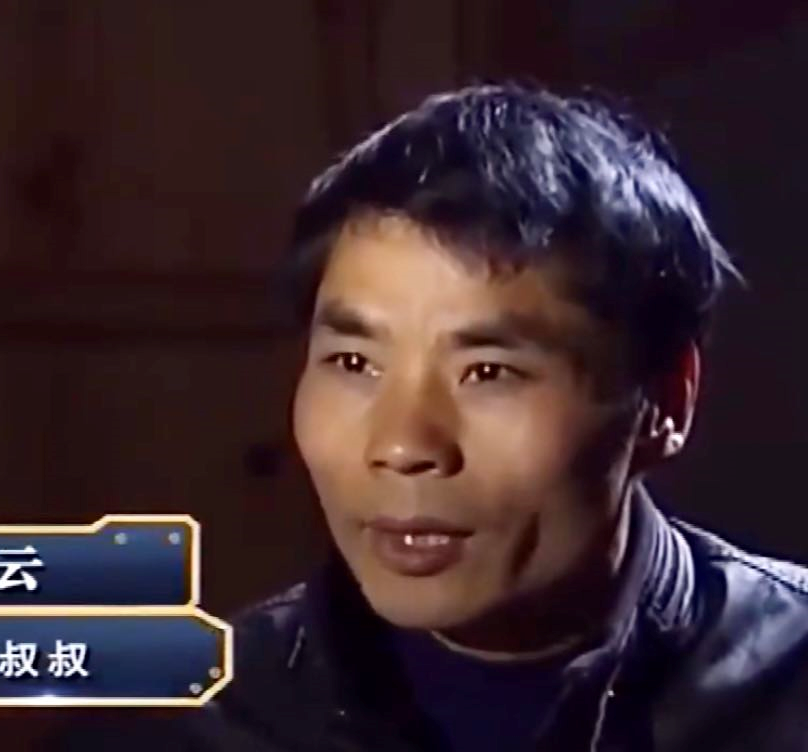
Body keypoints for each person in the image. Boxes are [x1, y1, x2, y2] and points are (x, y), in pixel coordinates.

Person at [53, 83, 808, 751]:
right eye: (354, 364)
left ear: (665, 400)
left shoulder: (784, 685)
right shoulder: (178, 727)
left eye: (489, 373)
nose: (403, 445)